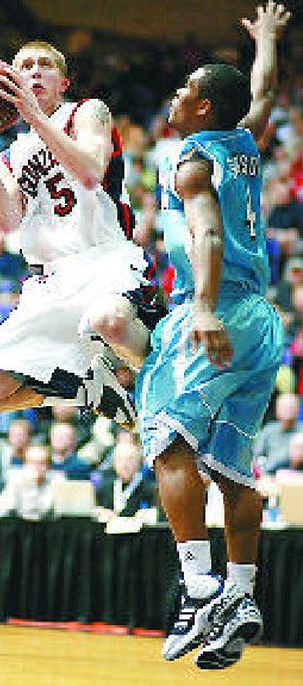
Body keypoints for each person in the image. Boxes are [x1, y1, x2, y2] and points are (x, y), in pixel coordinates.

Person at [135, 2, 290, 670]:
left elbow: (205, 233)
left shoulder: (193, 160)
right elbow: (262, 93)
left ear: (200, 110)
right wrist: (265, 42)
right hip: (262, 320)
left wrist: (198, 308)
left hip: (217, 308)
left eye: (185, 92)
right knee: (230, 468)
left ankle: (198, 586)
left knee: (166, 436)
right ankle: (244, 593)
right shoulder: (243, 138)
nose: (175, 97)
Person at [0, 39, 164, 431]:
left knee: (110, 322)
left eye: (44, 65)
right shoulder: (11, 156)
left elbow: (89, 172)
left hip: (105, 258)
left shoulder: (86, 112)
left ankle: (170, 381)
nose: (34, 71)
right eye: (24, 65)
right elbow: (6, 223)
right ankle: (86, 390)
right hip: (51, 281)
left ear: (63, 83)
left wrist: (34, 117)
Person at [0, 443, 54, 518]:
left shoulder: (55, 482)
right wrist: (31, 484)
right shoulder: (15, 481)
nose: (36, 467)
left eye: (42, 463)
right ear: (25, 465)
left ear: (48, 466)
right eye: (32, 463)